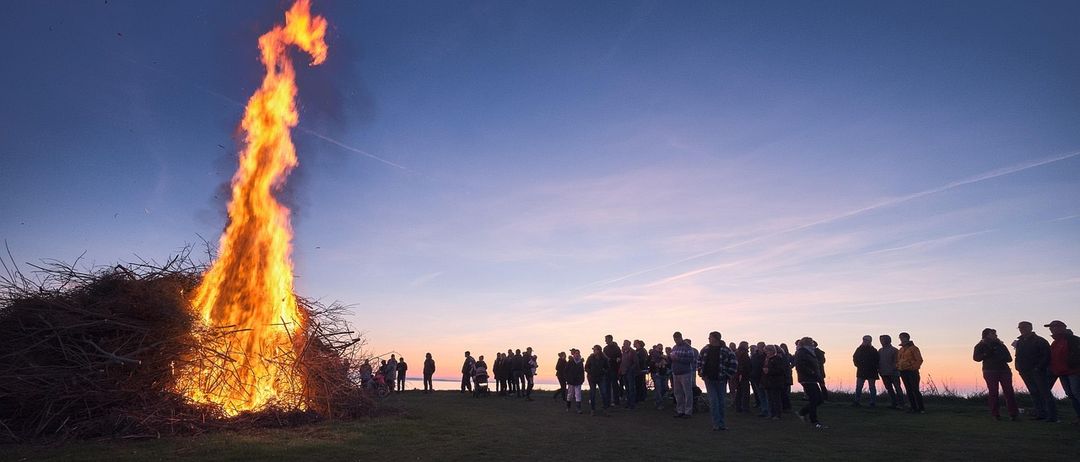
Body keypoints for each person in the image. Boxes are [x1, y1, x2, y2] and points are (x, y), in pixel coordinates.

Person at [973, 328, 1019, 420]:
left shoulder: (1001, 345)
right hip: (990, 371)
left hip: (1003, 370)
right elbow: (976, 358)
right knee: (994, 392)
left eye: (995, 333)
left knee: (1009, 392)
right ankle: (995, 414)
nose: (995, 335)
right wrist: (987, 354)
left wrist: (1000, 356)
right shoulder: (980, 345)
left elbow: (1009, 358)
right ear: (986, 335)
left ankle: (1013, 414)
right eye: (993, 333)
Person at [1014, 321, 1056, 422]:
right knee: (1034, 393)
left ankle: (1052, 416)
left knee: (1045, 393)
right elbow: (1018, 355)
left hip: (1038, 371)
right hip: (1025, 371)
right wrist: (1018, 367)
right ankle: (1040, 414)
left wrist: (1038, 367)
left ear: (1030, 328)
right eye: (1020, 327)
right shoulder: (1020, 342)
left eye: (1023, 327)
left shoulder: (1040, 341)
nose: (1021, 329)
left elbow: (1047, 356)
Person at [700, 331, 738, 431]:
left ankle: (722, 423)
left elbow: (734, 364)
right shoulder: (705, 349)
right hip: (709, 379)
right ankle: (716, 424)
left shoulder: (727, 351)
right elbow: (699, 361)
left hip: (721, 380)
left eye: (710, 337)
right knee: (713, 401)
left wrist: (728, 375)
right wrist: (701, 373)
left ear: (716, 338)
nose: (708, 339)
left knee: (721, 402)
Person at [1046, 320, 1080, 423]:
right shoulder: (1055, 342)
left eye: (1054, 327)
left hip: (1074, 371)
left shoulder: (1073, 340)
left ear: (1062, 328)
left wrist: (1072, 364)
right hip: (1061, 372)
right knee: (1071, 394)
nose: (1051, 329)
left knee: (1076, 393)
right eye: (1051, 327)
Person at [795, 337, 827, 429]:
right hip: (807, 379)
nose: (812, 344)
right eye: (811, 342)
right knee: (814, 399)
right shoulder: (802, 352)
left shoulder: (808, 352)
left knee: (818, 399)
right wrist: (812, 372)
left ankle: (803, 412)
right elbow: (800, 365)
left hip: (812, 378)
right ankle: (814, 421)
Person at [670, 331, 699, 418]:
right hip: (676, 372)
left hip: (685, 373)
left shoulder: (688, 347)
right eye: (674, 339)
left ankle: (688, 411)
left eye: (677, 339)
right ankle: (680, 410)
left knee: (687, 392)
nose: (675, 341)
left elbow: (691, 359)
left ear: (680, 338)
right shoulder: (674, 347)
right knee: (678, 393)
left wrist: (678, 358)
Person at [897, 332, 925, 413]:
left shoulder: (914, 348)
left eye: (903, 337)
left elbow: (919, 360)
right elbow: (899, 360)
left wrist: (913, 368)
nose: (901, 339)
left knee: (915, 390)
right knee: (908, 390)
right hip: (903, 372)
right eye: (900, 337)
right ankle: (913, 407)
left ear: (907, 338)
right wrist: (898, 366)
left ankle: (921, 408)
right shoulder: (901, 349)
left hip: (912, 372)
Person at [878, 335, 905, 409]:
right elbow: (878, 362)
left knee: (897, 388)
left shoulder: (894, 350)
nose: (881, 341)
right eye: (880, 340)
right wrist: (879, 370)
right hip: (884, 373)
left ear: (888, 340)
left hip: (894, 373)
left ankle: (901, 404)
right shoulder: (880, 351)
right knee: (889, 389)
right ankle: (894, 403)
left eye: (882, 340)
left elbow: (897, 362)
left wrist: (893, 369)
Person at [852, 335, 880, 407]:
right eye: (864, 339)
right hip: (862, 371)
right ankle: (857, 401)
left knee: (872, 387)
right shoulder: (859, 349)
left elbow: (877, 360)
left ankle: (872, 402)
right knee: (859, 387)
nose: (865, 341)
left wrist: (873, 366)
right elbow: (855, 358)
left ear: (870, 341)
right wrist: (858, 365)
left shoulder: (873, 350)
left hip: (871, 371)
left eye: (867, 340)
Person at [762, 344, 786, 420]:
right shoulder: (767, 359)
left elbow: (780, 370)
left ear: (771, 351)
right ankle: (771, 414)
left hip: (775, 381)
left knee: (776, 399)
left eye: (767, 351)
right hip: (768, 381)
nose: (766, 353)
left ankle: (777, 414)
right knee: (770, 399)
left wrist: (769, 371)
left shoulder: (777, 359)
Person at [586, 344, 609, 415]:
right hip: (592, 378)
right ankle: (592, 410)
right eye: (593, 349)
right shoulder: (590, 357)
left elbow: (607, 367)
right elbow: (586, 367)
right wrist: (590, 372)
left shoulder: (604, 358)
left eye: (595, 349)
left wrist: (603, 371)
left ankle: (605, 409)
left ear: (599, 350)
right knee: (592, 394)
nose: (593, 351)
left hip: (601, 378)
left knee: (604, 393)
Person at [564, 348, 586, 413]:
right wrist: (567, 379)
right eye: (576, 353)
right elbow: (565, 371)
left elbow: (582, 372)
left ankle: (578, 408)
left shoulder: (580, 362)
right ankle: (568, 407)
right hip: (571, 381)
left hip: (578, 381)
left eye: (578, 353)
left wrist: (582, 380)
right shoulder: (570, 361)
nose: (577, 355)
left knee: (578, 394)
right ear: (574, 354)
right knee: (570, 395)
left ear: (579, 355)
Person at [603, 335, 622, 407]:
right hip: (607, 369)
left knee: (614, 385)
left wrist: (612, 359)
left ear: (610, 339)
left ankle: (616, 401)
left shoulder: (616, 348)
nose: (605, 341)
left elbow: (619, 358)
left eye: (606, 339)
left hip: (614, 369)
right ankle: (608, 401)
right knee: (607, 385)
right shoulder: (605, 348)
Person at [750, 342, 768, 416]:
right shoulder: (755, 356)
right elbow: (751, 365)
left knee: (766, 394)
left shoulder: (766, 356)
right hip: (756, 377)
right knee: (761, 394)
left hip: (764, 377)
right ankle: (764, 409)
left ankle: (767, 409)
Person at [619, 340, 639, 409]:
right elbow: (623, 362)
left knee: (631, 388)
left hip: (630, 373)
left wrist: (630, 369)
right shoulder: (624, 352)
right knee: (627, 388)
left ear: (628, 344)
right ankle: (628, 403)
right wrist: (621, 370)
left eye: (625, 344)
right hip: (624, 372)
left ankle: (632, 404)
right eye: (624, 344)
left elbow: (635, 362)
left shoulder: (632, 352)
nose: (624, 345)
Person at [650, 344, 670, 410]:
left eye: (661, 348)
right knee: (659, 388)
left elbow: (668, 362)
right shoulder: (653, 354)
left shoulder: (663, 356)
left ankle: (657, 399)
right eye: (659, 348)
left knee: (664, 388)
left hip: (663, 373)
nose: (660, 349)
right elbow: (650, 363)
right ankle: (659, 403)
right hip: (656, 374)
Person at [734, 342, 751, 413]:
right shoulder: (744, 354)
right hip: (744, 375)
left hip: (738, 375)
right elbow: (743, 364)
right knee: (745, 393)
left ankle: (738, 407)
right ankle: (745, 408)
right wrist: (742, 373)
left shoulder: (737, 353)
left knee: (739, 392)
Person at [779, 343, 794, 412]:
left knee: (786, 391)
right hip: (783, 374)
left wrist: (791, 366)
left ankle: (787, 406)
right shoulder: (781, 356)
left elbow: (794, 362)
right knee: (784, 391)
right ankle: (785, 406)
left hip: (787, 374)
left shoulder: (788, 355)